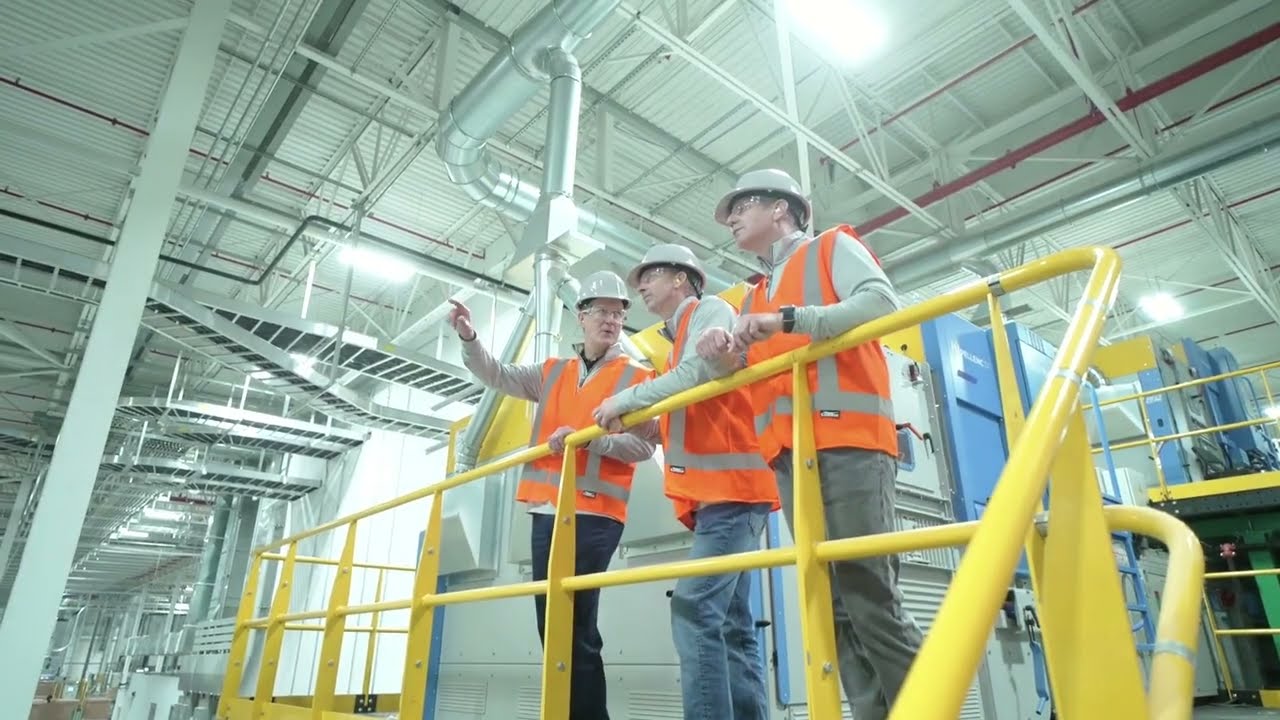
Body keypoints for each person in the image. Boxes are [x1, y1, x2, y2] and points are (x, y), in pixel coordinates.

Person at [694, 168, 924, 720]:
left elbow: (880, 304)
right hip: (790, 457)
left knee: (870, 596)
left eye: (741, 206)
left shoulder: (832, 246)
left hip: (847, 440)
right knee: (834, 603)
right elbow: (742, 370)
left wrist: (790, 320)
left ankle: (925, 707)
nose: (731, 219)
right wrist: (720, 351)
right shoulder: (754, 294)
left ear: (781, 209)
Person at [447, 270, 656, 720]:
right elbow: (496, 374)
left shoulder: (637, 376)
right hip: (546, 513)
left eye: (619, 313)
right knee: (552, 624)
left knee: (576, 624)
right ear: (580, 316)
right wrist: (469, 338)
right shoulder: (553, 372)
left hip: (596, 515)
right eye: (601, 311)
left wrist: (588, 439)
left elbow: (643, 445)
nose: (611, 320)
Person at [592, 244, 779, 720]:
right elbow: (679, 420)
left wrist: (627, 399)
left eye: (648, 275)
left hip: (734, 494)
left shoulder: (710, 309)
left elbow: (696, 375)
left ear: (681, 279)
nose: (641, 286)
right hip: (720, 498)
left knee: (694, 611)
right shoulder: (677, 340)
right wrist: (636, 422)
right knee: (732, 626)